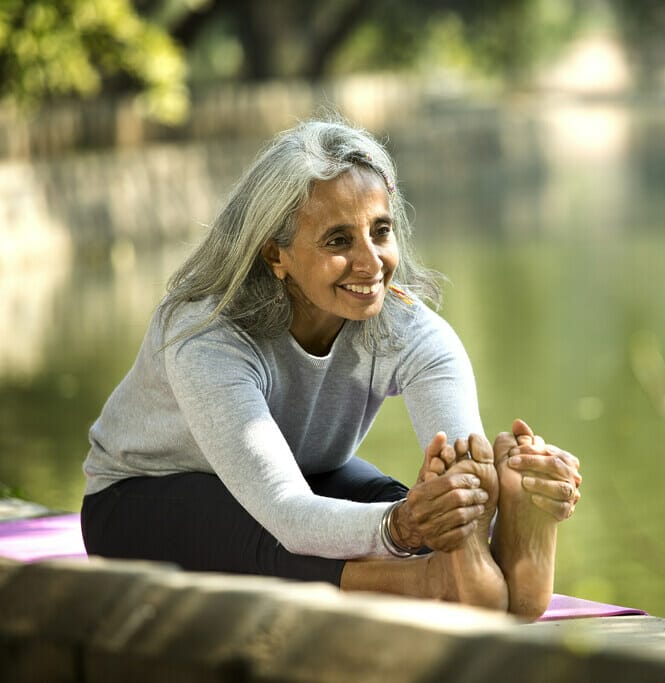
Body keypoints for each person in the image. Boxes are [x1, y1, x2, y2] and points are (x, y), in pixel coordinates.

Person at [80, 114, 581, 620]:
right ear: (276, 255)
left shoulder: (407, 326)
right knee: (282, 534)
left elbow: (459, 455)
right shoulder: (206, 333)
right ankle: (430, 584)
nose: (371, 263)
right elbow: (286, 512)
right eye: (338, 241)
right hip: (145, 498)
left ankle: (514, 568)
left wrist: (474, 491)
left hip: (307, 477)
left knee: (406, 503)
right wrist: (402, 527)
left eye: (380, 231)